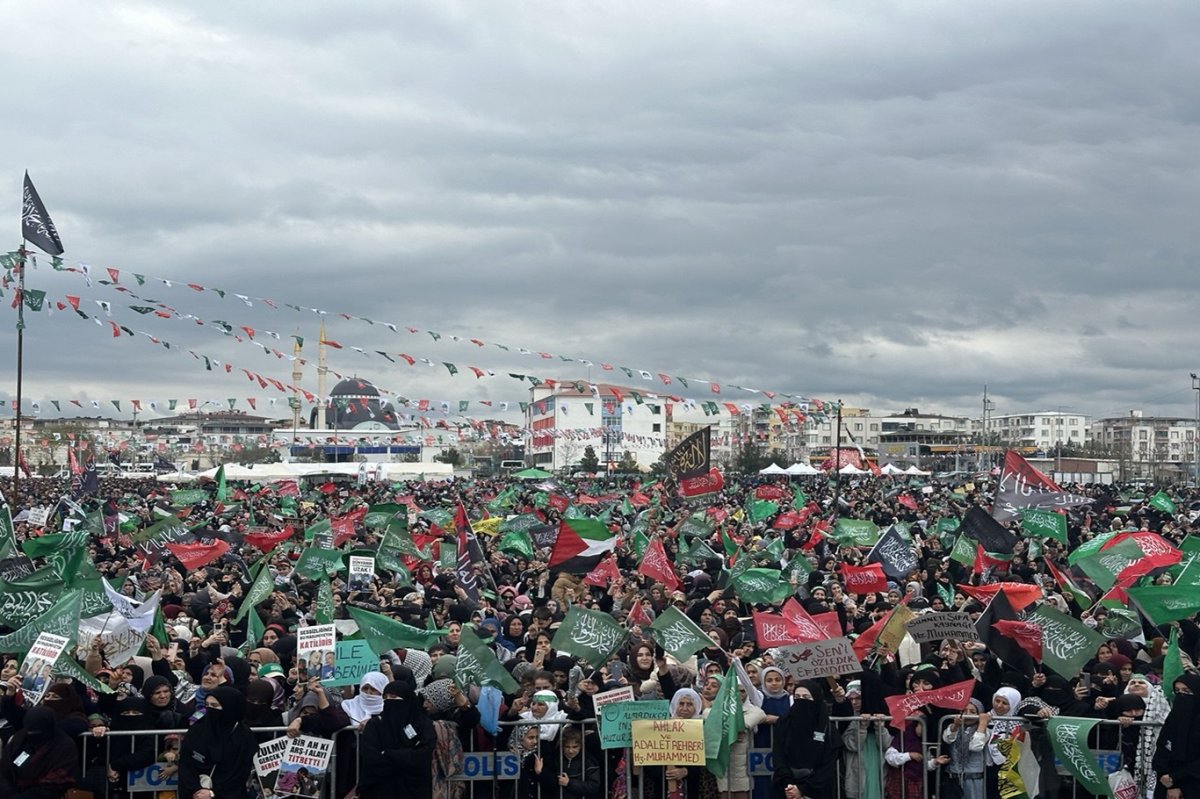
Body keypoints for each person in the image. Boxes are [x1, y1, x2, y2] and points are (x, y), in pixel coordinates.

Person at [357, 668, 436, 799]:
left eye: (393, 697)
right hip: (380, 789)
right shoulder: (375, 724)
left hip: (414, 789)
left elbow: (422, 755)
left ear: (407, 699)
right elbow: (372, 759)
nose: (389, 701)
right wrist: (405, 758)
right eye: (385, 698)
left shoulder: (422, 724)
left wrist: (389, 753)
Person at [178, 685, 256, 799]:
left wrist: (212, 793)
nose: (209, 710)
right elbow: (185, 764)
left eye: (214, 705)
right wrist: (195, 789)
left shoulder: (243, 736)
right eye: (207, 705)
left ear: (230, 707)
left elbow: (240, 773)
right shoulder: (197, 729)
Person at [772, 680, 841, 799]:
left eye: (806, 697)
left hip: (819, 790)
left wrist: (803, 789)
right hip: (787, 790)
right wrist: (789, 785)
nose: (801, 700)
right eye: (797, 697)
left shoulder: (827, 728)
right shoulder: (784, 723)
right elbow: (778, 756)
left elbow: (828, 765)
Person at [0, 705, 79, 799]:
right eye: (29, 732)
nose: (32, 735)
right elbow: (4, 768)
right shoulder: (21, 738)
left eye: (36, 732)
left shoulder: (64, 747)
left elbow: (56, 783)